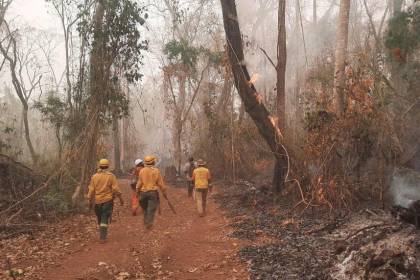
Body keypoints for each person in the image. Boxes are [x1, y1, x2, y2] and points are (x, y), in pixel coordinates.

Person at [87, 159, 124, 243]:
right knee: (103, 218)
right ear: (107, 166)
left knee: (101, 218)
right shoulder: (111, 176)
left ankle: (102, 235)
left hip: (97, 202)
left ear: (99, 166)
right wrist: (121, 198)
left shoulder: (94, 177)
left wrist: (89, 200)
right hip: (107, 201)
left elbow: (91, 190)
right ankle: (103, 237)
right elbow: (115, 189)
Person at [136, 155, 167, 229]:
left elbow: (139, 184)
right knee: (151, 209)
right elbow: (161, 183)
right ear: (153, 161)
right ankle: (149, 223)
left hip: (143, 193)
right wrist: (164, 192)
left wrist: (137, 192)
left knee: (145, 208)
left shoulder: (142, 171)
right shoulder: (156, 171)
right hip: (153, 193)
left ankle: (146, 221)